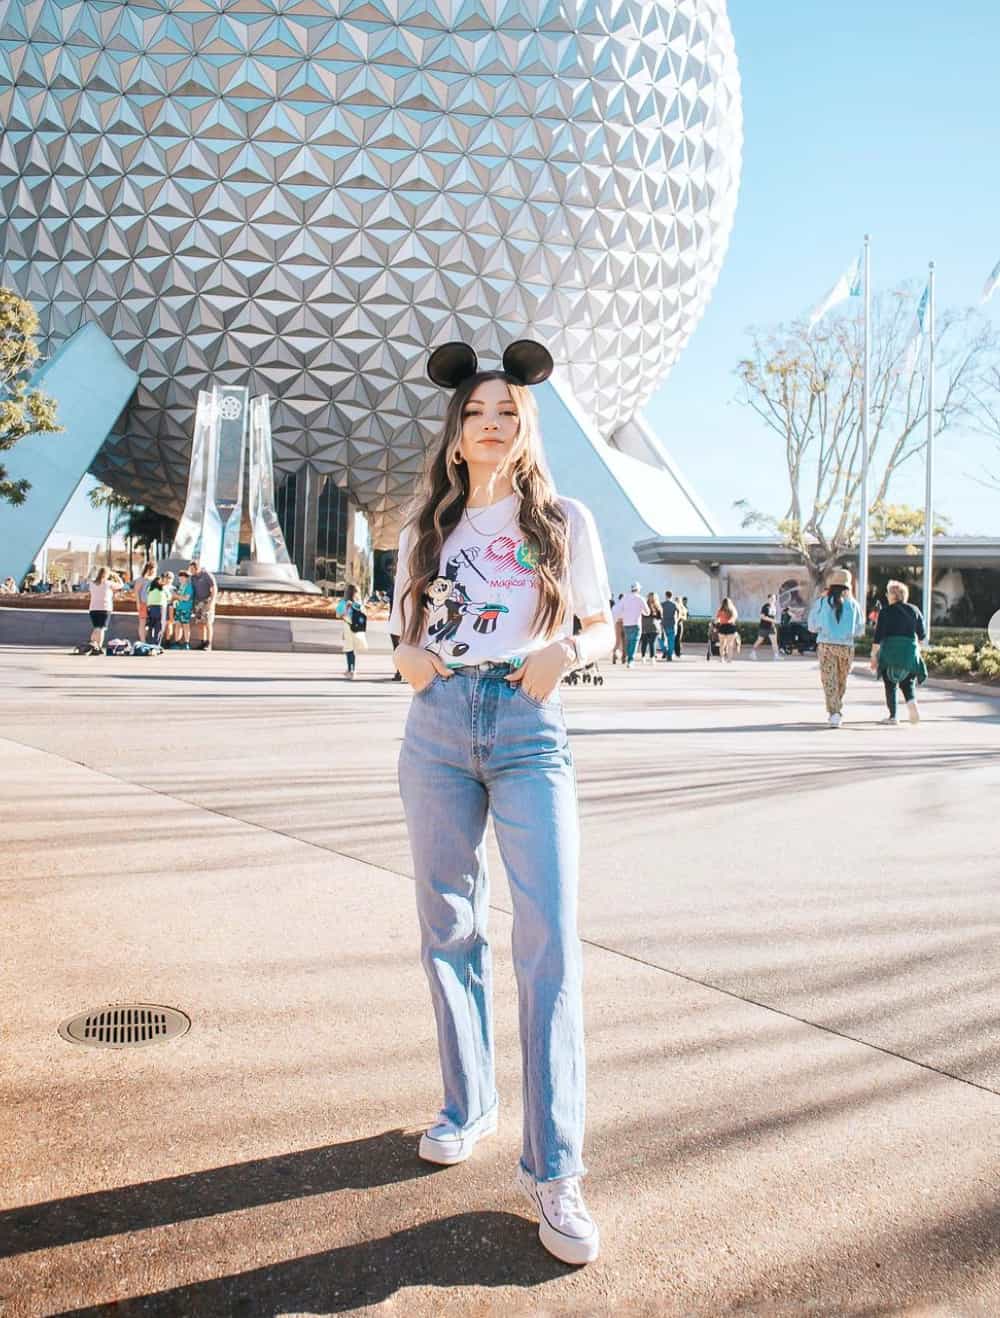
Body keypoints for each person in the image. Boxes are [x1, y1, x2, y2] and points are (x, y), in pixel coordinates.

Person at [390, 339, 613, 1266]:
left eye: (508, 414)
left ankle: (555, 1171)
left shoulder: (563, 519)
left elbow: (599, 624)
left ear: (526, 432)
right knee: (449, 927)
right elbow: (402, 622)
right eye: (478, 413)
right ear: (455, 434)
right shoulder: (423, 529)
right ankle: (467, 1101)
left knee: (548, 939)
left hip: (528, 729)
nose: (492, 424)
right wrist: (404, 655)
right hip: (438, 727)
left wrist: (569, 653)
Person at [807, 568, 865, 728]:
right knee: (841, 680)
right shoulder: (854, 605)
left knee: (829, 681)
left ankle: (835, 713)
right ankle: (836, 708)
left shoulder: (821, 602)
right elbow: (860, 630)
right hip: (847, 647)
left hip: (826, 645)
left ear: (831, 586)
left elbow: (812, 626)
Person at [870, 579, 927, 724]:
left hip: (890, 652)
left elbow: (878, 638)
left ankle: (893, 716)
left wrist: (874, 658)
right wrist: (917, 651)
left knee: (890, 684)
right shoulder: (914, 610)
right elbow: (922, 636)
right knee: (908, 682)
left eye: (888, 593)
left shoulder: (885, 612)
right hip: (909, 651)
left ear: (893, 595)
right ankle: (912, 704)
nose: (887, 596)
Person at [335, 583, 367, 679]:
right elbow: (364, 614)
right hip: (357, 628)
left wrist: (346, 610)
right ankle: (352, 669)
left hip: (348, 627)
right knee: (353, 650)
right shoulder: (359, 604)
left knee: (349, 649)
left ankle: (351, 670)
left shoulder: (343, 603)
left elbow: (338, 615)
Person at [614, 582, 648, 668]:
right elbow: (647, 612)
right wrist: (642, 612)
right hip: (636, 623)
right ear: (638, 589)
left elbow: (617, 609)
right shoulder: (640, 598)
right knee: (634, 642)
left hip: (626, 624)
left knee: (628, 642)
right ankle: (630, 660)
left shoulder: (625, 598)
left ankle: (629, 658)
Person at [86, 567, 120, 653]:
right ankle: (98, 647)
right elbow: (121, 585)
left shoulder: (92, 583)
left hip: (93, 609)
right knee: (101, 629)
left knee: (96, 628)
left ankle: (92, 645)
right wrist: (116, 575)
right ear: (107, 574)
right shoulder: (108, 583)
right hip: (105, 609)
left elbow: (89, 581)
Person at [189, 558, 218, 650]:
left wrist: (212, 602)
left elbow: (214, 589)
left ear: (197, 568)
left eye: (193, 569)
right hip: (198, 602)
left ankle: (209, 644)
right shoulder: (193, 577)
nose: (191, 571)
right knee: (200, 624)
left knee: (208, 623)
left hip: (207, 601)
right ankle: (203, 642)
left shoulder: (207, 575)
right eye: (190, 569)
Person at [751, 593, 781, 660]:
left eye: (774, 598)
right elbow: (762, 617)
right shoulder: (765, 606)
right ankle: (752, 652)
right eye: (771, 598)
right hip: (763, 627)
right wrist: (772, 620)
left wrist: (773, 621)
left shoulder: (774, 607)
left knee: (774, 642)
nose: (773, 600)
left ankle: (776, 656)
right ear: (768, 599)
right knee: (759, 640)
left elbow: (773, 616)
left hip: (772, 627)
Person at [131, 562, 155, 642]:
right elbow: (136, 592)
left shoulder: (154, 579)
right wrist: (138, 603)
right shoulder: (141, 579)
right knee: (142, 623)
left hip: (153, 604)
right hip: (143, 603)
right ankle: (143, 641)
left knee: (152, 624)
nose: (154, 571)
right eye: (153, 569)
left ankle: (151, 640)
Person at [171, 571, 195, 648]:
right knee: (177, 625)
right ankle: (177, 642)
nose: (180, 579)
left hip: (186, 609)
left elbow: (186, 598)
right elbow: (179, 597)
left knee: (185, 625)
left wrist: (175, 595)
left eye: (182, 578)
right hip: (178, 608)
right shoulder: (180, 586)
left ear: (186, 578)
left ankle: (186, 643)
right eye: (179, 577)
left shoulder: (189, 587)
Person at [714, 597, 739, 662]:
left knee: (722, 644)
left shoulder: (720, 610)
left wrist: (717, 623)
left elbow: (716, 620)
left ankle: (722, 659)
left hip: (722, 627)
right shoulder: (732, 609)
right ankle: (729, 659)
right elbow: (734, 617)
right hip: (731, 627)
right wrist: (730, 620)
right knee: (730, 644)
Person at [639, 592, 662, 663]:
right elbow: (660, 617)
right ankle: (652, 658)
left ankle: (643, 657)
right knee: (652, 643)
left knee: (644, 643)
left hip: (644, 626)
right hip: (654, 626)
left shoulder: (644, 605)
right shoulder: (658, 606)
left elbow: (640, 615)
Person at [145, 576, 167, 645]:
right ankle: (157, 643)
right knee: (159, 627)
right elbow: (169, 596)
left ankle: (150, 642)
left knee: (150, 626)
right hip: (159, 608)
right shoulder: (163, 589)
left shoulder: (149, 589)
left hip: (150, 608)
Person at [659, 590, 679, 660]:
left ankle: (665, 651)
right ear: (672, 596)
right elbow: (678, 615)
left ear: (666, 595)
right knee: (671, 641)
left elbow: (659, 615)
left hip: (663, 624)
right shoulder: (675, 604)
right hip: (672, 624)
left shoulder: (662, 604)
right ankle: (670, 655)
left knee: (661, 639)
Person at [611, 593, 625, 664]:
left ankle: (614, 655)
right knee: (625, 642)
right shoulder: (626, 606)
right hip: (625, 624)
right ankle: (624, 658)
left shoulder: (615, 606)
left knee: (617, 642)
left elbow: (613, 617)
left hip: (617, 624)